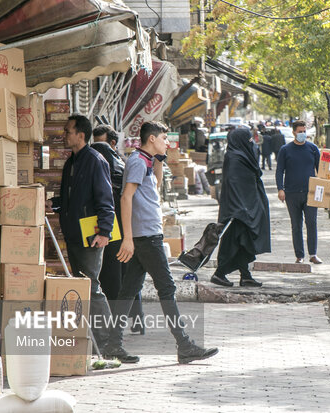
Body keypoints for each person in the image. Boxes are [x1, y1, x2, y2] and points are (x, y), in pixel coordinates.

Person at [106, 121, 218, 364]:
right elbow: (126, 198)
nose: (167, 142)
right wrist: (128, 238)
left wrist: (160, 159)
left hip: (145, 235)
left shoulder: (146, 160)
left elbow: (154, 185)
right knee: (167, 288)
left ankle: (112, 344)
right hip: (145, 238)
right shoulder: (137, 160)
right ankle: (184, 344)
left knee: (127, 291)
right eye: (164, 138)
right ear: (152, 139)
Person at [47, 114, 115, 349]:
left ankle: (109, 343)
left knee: (92, 287)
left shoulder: (96, 160)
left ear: (81, 135)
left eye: (68, 131)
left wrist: (105, 232)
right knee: (81, 286)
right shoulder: (71, 162)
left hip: (91, 236)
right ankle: (91, 341)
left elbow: (106, 200)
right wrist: (54, 204)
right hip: (73, 234)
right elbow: (71, 197)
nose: (64, 135)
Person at [91, 125, 145, 335]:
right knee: (128, 277)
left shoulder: (108, 166)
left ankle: (116, 326)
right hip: (124, 230)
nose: (96, 148)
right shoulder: (123, 164)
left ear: (112, 143)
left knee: (115, 277)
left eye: (100, 144)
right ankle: (136, 320)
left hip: (114, 231)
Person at [210, 128, 271, 287]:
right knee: (233, 244)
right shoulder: (235, 158)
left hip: (246, 209)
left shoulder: (243, 157)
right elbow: (234, 186)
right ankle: (219, 274)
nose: (252, 142)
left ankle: (245, 276)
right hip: (237, 211)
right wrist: (241, 209)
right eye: (249, 139)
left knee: (245, 243)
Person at [276, 120, 322, 264]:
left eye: (304, 131)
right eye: (300, 131)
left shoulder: (313, 149)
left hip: (310, 193)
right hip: (291, 193)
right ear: (294, 132)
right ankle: (299, 256)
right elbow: (279, 171)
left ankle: (313, 254)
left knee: (312, 223)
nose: (302, 134)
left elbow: (321, 171)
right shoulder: (285, 150)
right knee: (296, 225)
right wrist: (280, 189)